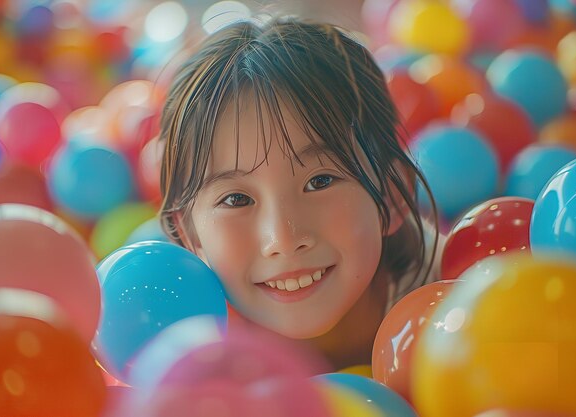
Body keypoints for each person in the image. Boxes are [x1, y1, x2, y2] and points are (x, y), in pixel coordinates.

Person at [158, 16, 440, 370]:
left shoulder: (458, 307)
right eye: (236, 199)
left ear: (392, 196)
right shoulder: (190, 355)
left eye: (320, 181)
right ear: (189, 235)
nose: (283, 238)